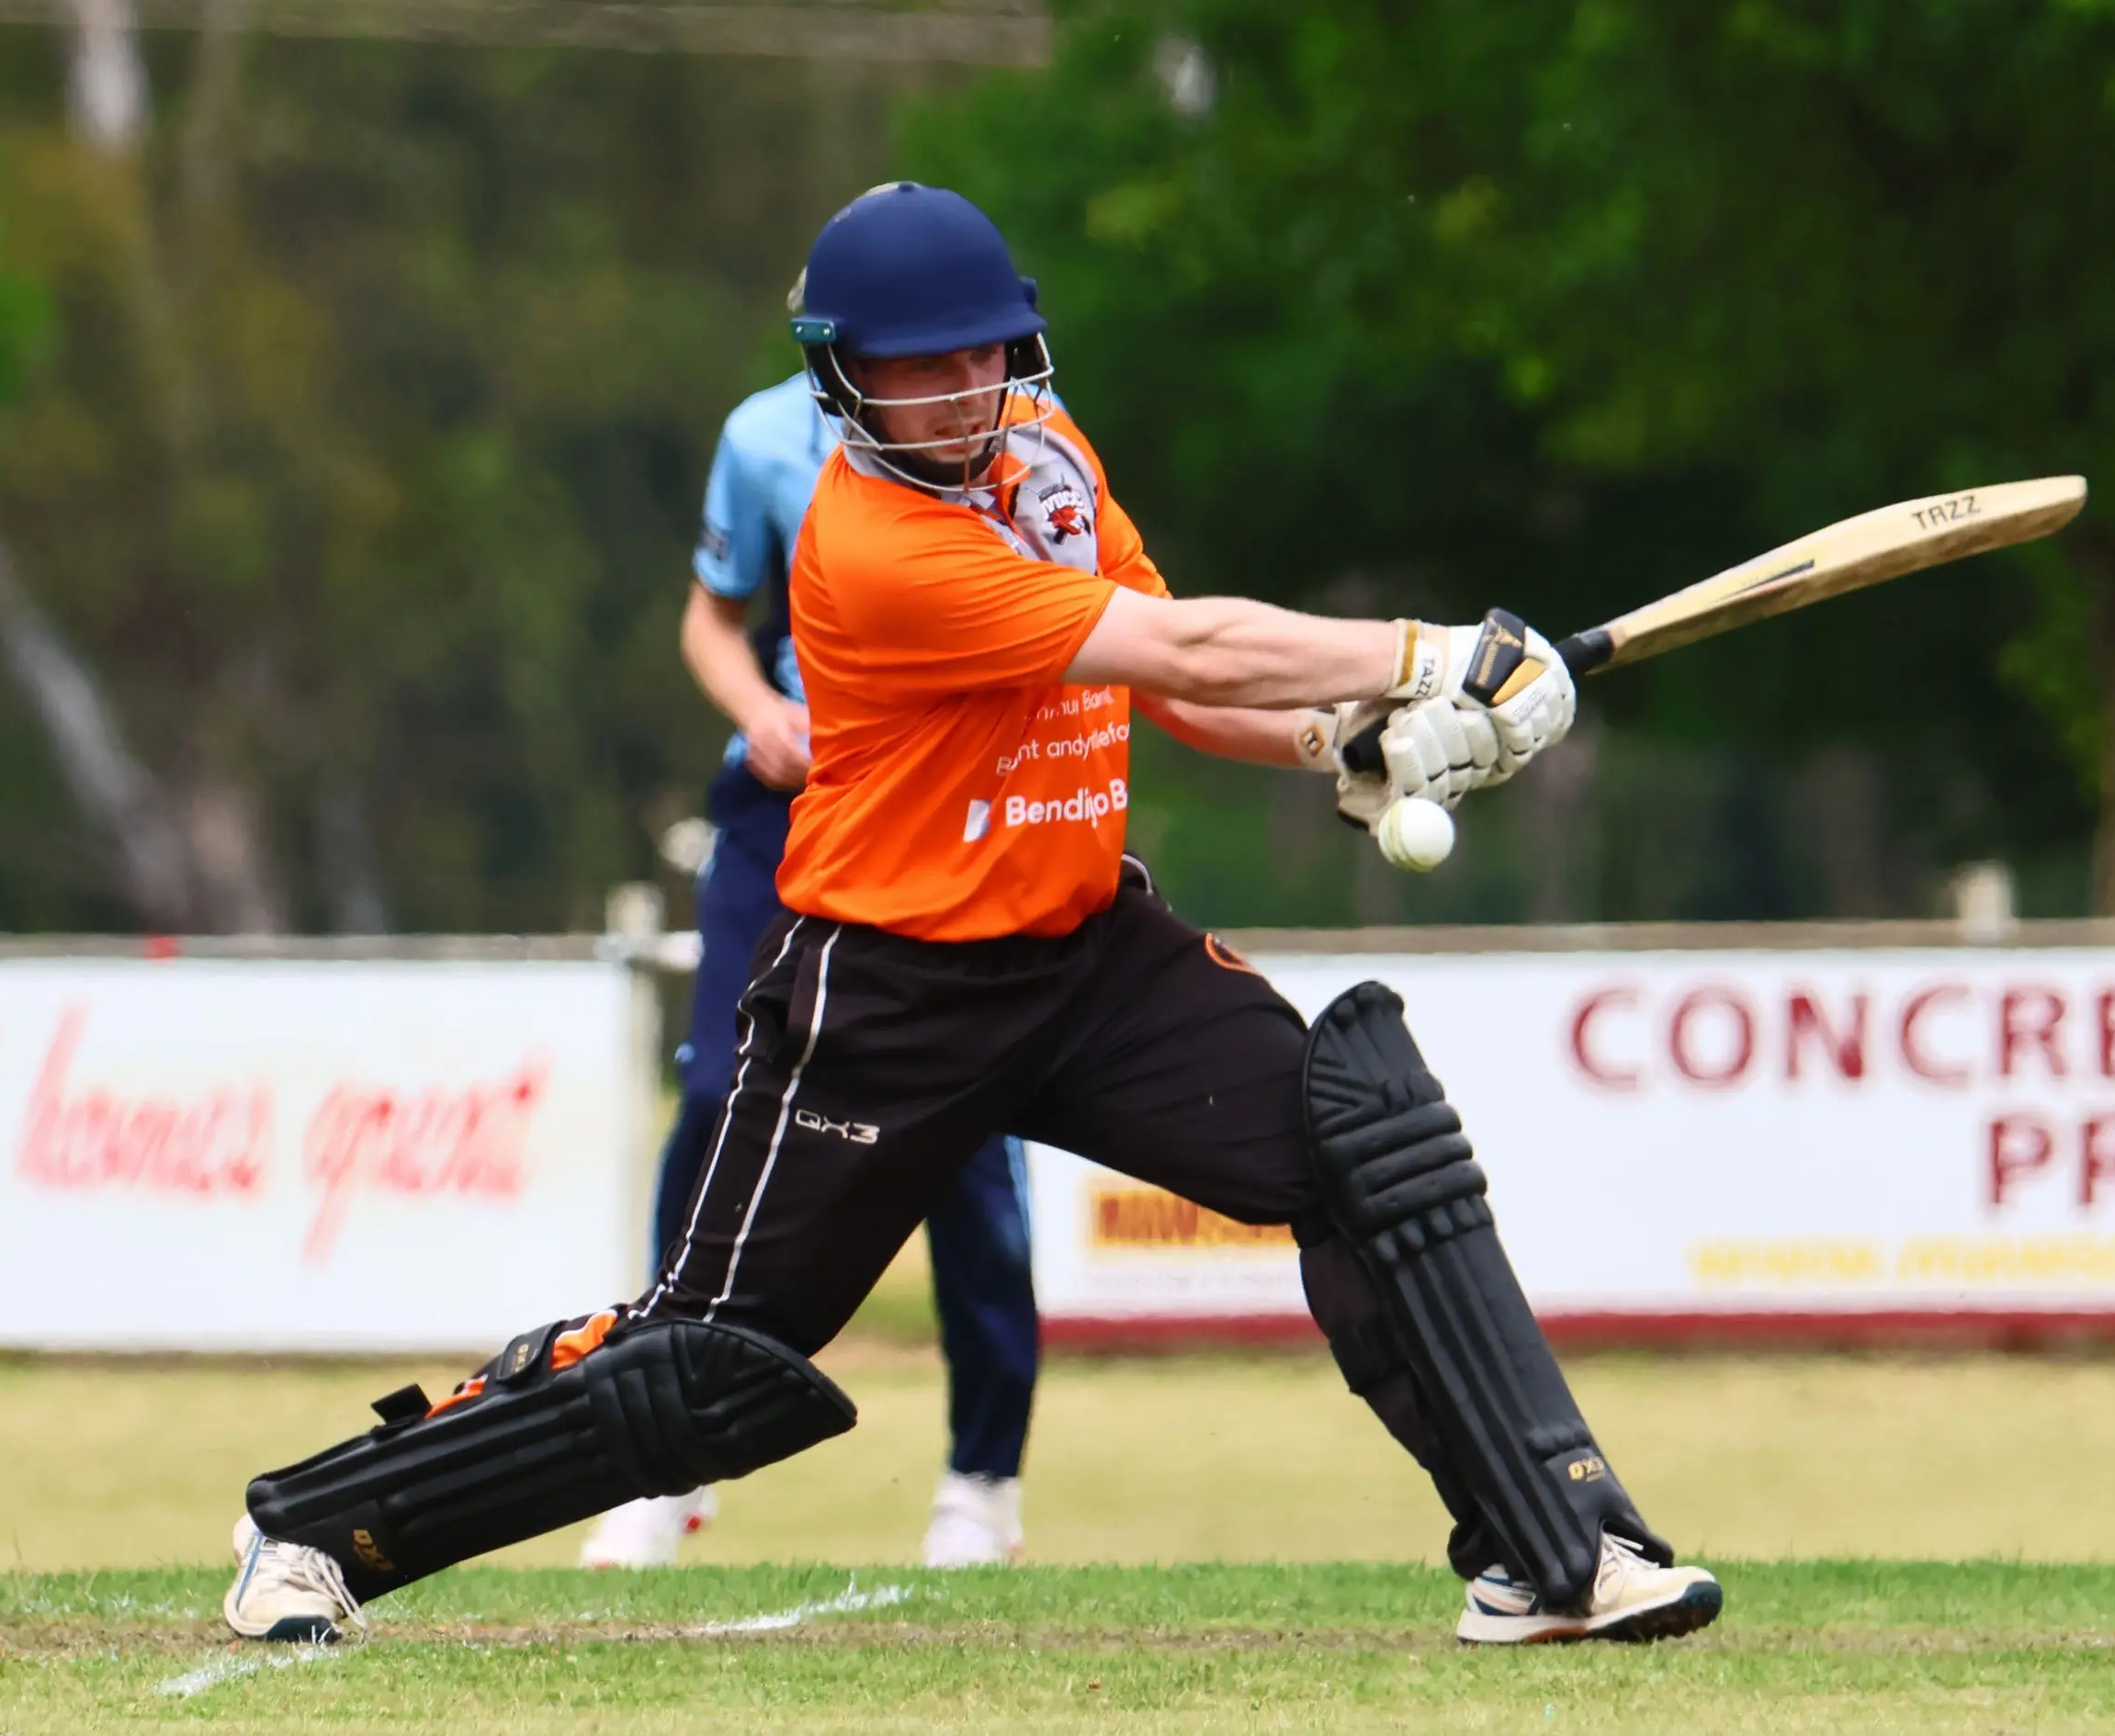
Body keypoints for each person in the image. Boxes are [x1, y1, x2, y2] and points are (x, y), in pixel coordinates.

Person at [222, 183, 1724, 1648]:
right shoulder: (875, 549)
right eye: (918, 363)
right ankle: (315, 1528)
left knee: (1361, 1135)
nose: (961, 388)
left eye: (985, 351)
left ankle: (1556, 1548)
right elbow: (1182, 635)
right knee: (710, 1364)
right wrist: (1433, 652)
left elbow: (1178, 683)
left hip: (1084, 961)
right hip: (880, 997)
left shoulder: (1044, 455)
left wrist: (1342, 736)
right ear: (842, 375)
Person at [578, 291, 1037, 1573]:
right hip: (786, 815)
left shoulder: (1023, 441)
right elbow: (711, 617)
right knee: (721, 1100)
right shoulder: (764, 436)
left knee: (963, 1135)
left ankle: (981, 1477)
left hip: (952, 819)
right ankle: (659, 1458)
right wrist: (757, 712)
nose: (943, 371)